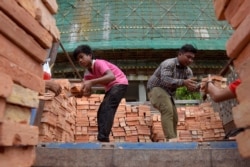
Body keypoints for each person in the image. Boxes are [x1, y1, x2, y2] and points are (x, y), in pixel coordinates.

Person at [73, 44, 128, 142]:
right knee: (101, 112)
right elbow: (88, 92)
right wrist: (81, 93)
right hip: (110, 88)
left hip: (119, 83)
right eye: (78, 60)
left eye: (82, 57)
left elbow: (111, 77)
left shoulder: (99, 63)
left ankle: (103, 138)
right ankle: (103, 138)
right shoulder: (87, 74)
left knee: (107, 108)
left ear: (89, 55)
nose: (80, 61)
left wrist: (92, 82)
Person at [147, 44, 198, 141]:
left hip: (168, 94)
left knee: (174, 117)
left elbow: (191, 86)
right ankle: (171, 139)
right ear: (180, 54)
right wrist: (183, 82)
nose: (190, 60)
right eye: (188, 57)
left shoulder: (188, 71)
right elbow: (165, 80)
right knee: (167, 110)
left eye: (192, 58)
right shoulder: (169, 63)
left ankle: (173, 140)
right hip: (156, 88)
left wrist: (203, 86)